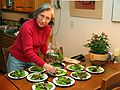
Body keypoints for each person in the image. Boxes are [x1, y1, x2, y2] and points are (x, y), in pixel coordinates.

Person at [7, 3, 57, 74]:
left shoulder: (47, 28)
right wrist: (45, 65)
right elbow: (28, 51)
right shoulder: (27, 27)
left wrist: (49, 55)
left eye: (47, 18)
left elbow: (42, 45)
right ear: (37, 14)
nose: (43, 20)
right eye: (42, 16)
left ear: (50, 20)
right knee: (13, 83)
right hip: (17, 59)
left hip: (31, 59)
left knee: (33, 81)